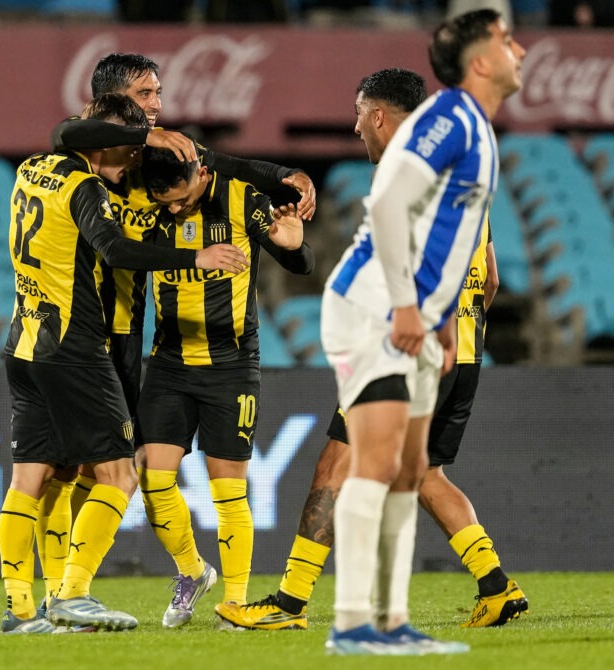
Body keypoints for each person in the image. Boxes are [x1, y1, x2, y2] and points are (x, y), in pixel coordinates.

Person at [215, 67, 527, 634]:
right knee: (424, 471)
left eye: (359, 116)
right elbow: (491, 275)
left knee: (335, 465)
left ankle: (289, 602)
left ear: (379, 115)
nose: (356, 128)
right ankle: (496, 586)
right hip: (466, 350)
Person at [33, 53, 318, 610]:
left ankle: (81, 592)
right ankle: (67, 592)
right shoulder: (92, 159)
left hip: (149, 345)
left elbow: (238, 170)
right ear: (111, 101)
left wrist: (290, 179)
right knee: (83, 472)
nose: (157, 105)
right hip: (94, 338)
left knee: (113, 472)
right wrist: (145, 135)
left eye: (158, 94)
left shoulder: (181, 166)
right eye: (145, 94)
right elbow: (63, 134)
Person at [0, 92, 248, 635]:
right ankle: (74, 594)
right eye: (130, 148)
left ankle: (19, 610)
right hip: (73, 347)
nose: (135, 160)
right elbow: (115, 250)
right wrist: (196, 257)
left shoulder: (30, 169)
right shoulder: (84, 186)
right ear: (108, 139)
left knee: (29, 478)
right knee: (118, 474)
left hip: (23, 341)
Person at [321, 10, 525, 655]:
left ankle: (390, 623)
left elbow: (459, 245)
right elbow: (386, 205)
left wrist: (435, 318)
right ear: (481, 61)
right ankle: (355, 624)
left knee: (410, 471)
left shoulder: (477, 129)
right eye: (507, 41)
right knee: (379, 466)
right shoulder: (451, 119)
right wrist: (411, 309)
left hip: (413, 315)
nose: (520, 50)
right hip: (372, 305)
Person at [137, 141, 315, 628]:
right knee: (152, 481)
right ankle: (192, 571)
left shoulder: (239, 198)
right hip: (169, 364)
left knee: (229, 492)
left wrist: (294, 244)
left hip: (231, 367)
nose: (175, 209)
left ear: (200, 173)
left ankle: (234, 604)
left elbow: (300, 263)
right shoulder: (146, 203)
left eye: (181, 199)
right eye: (166, 203)